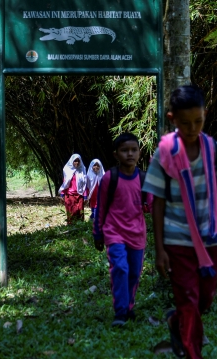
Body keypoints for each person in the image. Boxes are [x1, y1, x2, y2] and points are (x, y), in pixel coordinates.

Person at [142, 85, 217, 359]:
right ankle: (193, 352)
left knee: (205, 298)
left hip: (209, 240)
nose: (192, 128)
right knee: (189, 300)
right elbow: (156, 202)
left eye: (198, 121)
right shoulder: (165, 153)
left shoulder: (214, 150)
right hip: (177, 240)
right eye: (185, 123)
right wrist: (159, 249)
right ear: (172, 119)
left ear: (205, 115)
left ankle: (174, 322)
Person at [92, 133, 152, 327]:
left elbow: (151, 205)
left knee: (134, 273)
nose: (129, 154)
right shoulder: (110, 177)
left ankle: (128, 306)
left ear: (139, 153)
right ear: (116, 154)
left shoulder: (144, 179)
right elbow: (100, 208)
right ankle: (120, 312)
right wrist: (98, 233)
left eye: (133, 150)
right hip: (114, 232)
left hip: (137, 234)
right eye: (124, 150)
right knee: (120, 268)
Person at [59, 154, 88, 224]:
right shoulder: (67, 171)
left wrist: (85, 196)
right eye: (75, 161)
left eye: (78, 161)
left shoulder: (82, 171)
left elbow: (84, 184)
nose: (77, 163)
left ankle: (80, 230)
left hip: (79, 196)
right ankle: (71, 231)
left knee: (80, 213)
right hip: (70, 196)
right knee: (71, 214)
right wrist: (62, 195)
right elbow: (65, 183)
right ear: (72, 161)